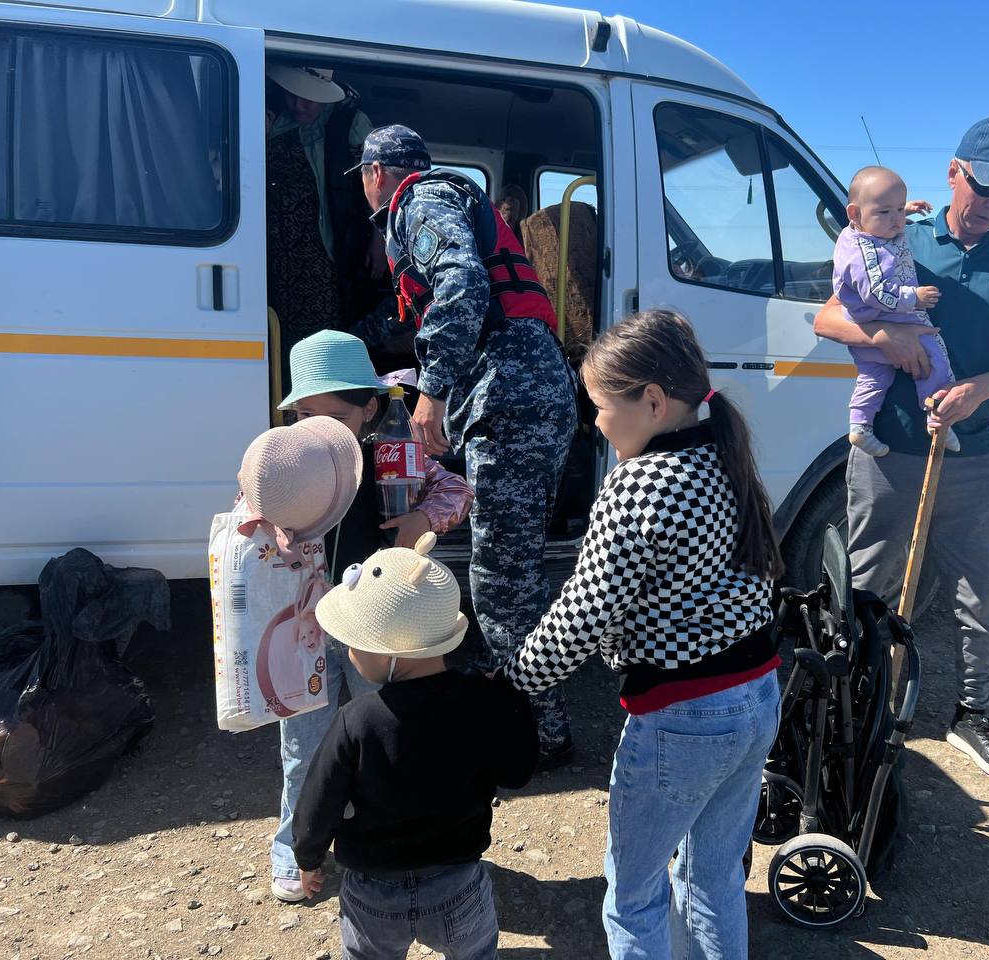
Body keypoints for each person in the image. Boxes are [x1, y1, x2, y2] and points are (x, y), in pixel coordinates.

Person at [497, 309, 783, 959]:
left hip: (681, 717)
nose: (592, 422)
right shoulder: (722, 452)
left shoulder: (638, 485)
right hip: (757, 695)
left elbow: (582, 613)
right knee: (712, 876)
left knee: (633, 895)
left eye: (599, 407)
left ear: (652, 402)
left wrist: (511, 682)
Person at [814, 116, 989, 783]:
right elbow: (827, 315)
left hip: (974, 454)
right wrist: (885, 342)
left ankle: (972, 717)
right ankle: (853, 701)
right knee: (870, 586)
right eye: (985, 187)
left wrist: (979, 389)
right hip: (891, 452)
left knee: (981, 594)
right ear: (955, 172)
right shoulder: (897, 232)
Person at [352, 125, 578, 764]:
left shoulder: (418, 203)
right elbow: (415, 311)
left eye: (364, 176)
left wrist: (433, 388)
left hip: (511, 398)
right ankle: (502, 681)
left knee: (502, 579)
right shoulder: (438, 204)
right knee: (503, 565)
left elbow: (463, 287)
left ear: (377, 173)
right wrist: (350, 339)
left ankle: (541, 733)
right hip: (520, 393)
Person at [269, 329, 475, 902]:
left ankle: (386, 834)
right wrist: (266, 526)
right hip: (305, 627)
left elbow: (457, 487)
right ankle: (294, 845)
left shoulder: (394, 458)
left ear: (369, 407)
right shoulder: (289, 461)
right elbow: (250, 500)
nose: (321, 428)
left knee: (384, 732)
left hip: (378, 628)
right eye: (305, 414)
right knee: (303, 745)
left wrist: (424, 519)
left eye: (335, 414)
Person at [292, 534, 539, 959]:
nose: (350, 652)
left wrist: (308, 855)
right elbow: (517, 771)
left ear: (389, 653)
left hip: (373, 893)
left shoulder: (358, 720)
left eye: (356, 642)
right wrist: (511, 702)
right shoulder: (483, 699)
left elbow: (319, 802)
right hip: (458, 883)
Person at [265, 65, 382, 385]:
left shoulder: (351, 124)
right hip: (279, 259)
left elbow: (379, 184)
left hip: (330, 256)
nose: (297, 105)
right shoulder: (271, 121)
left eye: (307, 99)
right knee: (282, 346)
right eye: (292, 95)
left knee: (325, 344)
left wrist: (378, 239)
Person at [834, 165, 959, 456]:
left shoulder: (857, 233)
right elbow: (876, 292)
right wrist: (913, 297)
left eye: (900, 210)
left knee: (874, 377)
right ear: (854, 214)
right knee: (936, 356)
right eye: (885, 212)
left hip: (862, 326)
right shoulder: (863, 252)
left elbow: (884, 215)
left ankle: (860, 426)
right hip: (888, 316)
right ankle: (937, 419)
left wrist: (905, 211)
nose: (897, 221)